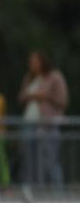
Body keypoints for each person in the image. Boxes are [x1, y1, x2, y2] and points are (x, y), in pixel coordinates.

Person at [18, 51, 68, 187]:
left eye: (35, 62)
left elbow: (62, 99)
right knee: (30, 160)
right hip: (29, 123)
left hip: (47, 124)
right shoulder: (29, 78)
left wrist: (44, 96)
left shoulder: (55, 77)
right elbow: (21, 97)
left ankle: (57, 192)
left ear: (42, 62)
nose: (32, 65)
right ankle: (34, 189)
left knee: (50, 160)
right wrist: (29, 95)